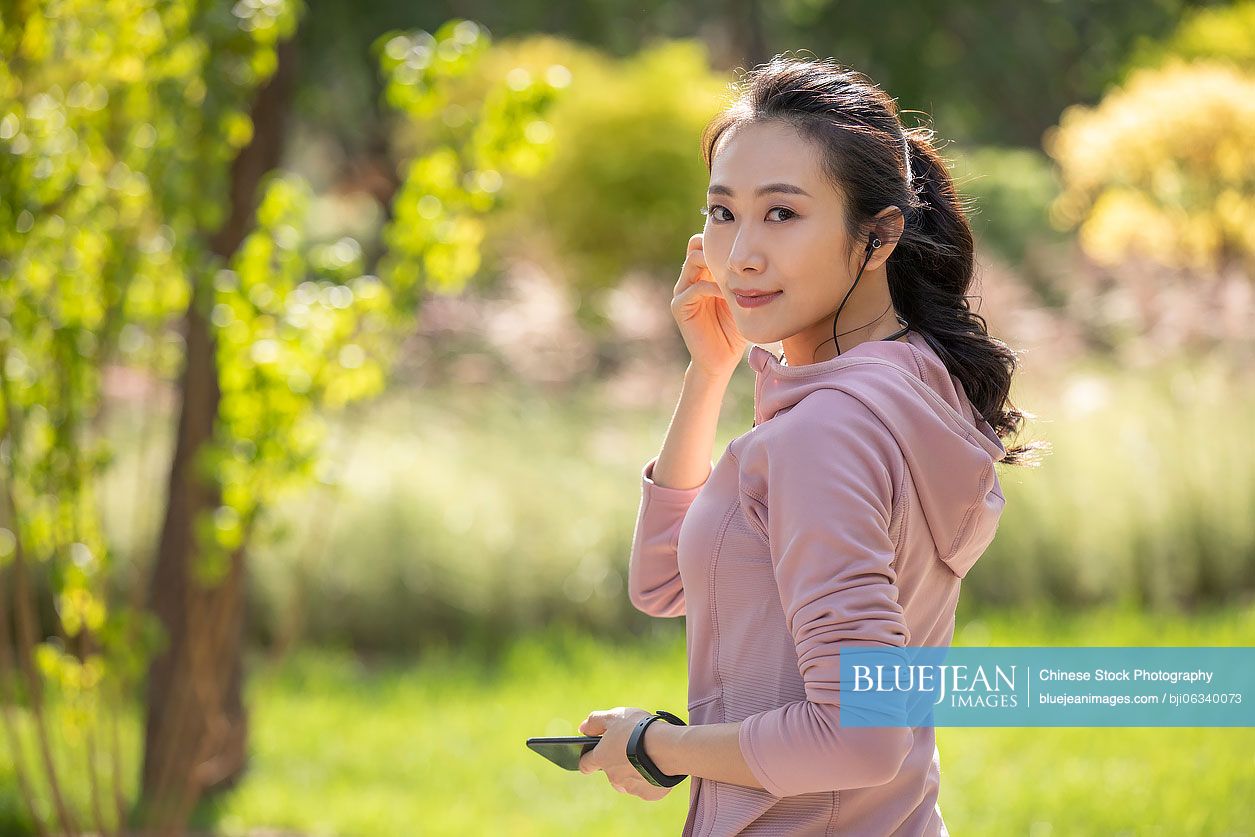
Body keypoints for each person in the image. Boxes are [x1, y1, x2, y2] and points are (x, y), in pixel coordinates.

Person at [577, 54, 1047, 835]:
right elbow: (665, 581)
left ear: (878, 235)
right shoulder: (912, 381)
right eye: (722, 213)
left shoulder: (822, 431)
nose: (740, 255)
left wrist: (659, 745)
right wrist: (709, 373)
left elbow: (858, 736)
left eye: (782, 214)